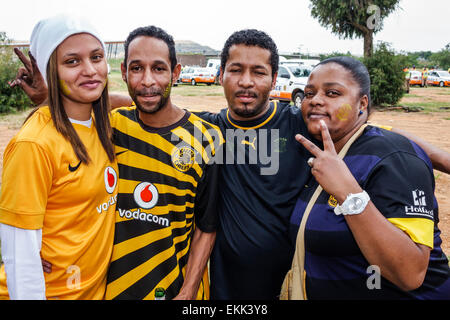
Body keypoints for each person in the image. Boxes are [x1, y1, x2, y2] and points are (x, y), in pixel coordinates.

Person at [8, 28, 450, 300]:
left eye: (258, 72)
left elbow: (371, 134)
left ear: (274, 80)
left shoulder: (299, 123)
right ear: (220, 75)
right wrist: (58, 94)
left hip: (286, 285)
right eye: (235, 69)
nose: (246, 81)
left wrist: (437, 156)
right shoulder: (210, 129)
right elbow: (150, 103)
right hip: (221, 287)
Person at [292, 56, 450, 299]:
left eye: (332, 93)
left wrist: (348, 194)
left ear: (362, 103)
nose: (316, 101)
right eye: (309, 93)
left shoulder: (394, 158)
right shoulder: (322, 150)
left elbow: (410, 273)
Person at [0, 15, 118, 299]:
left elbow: (143, 105)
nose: (90, 70)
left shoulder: (106, 124)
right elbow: (21, 256)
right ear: (50, 70)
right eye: (72, 62)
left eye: (96, 57)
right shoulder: (35, 144)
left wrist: (48, 94)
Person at [103, 26, 223, 300]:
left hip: (172, 288)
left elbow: (207, 226)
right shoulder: (110, 126)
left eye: (158, 68)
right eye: (136, 68)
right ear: (123, 72)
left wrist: (189, 289)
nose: (147, 80)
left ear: (176, 72)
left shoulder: (207, 139)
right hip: (109, 289)